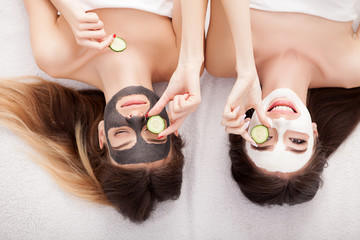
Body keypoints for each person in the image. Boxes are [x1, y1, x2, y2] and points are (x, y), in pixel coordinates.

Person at [0, 0, 207, 223]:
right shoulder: (184, 65)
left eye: (122, 135)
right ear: (172, 128)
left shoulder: (55, 56)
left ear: (101, 135)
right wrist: (193, 60)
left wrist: (69, 8)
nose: (135, 118)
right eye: (151, 132)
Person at [205, 0, 360, 205]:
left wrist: (246, 66)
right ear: (314, 133)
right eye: (297, 141)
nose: (281, 123)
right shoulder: (352, 69)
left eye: (264, 138)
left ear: (245, 129)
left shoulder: (223, 61)